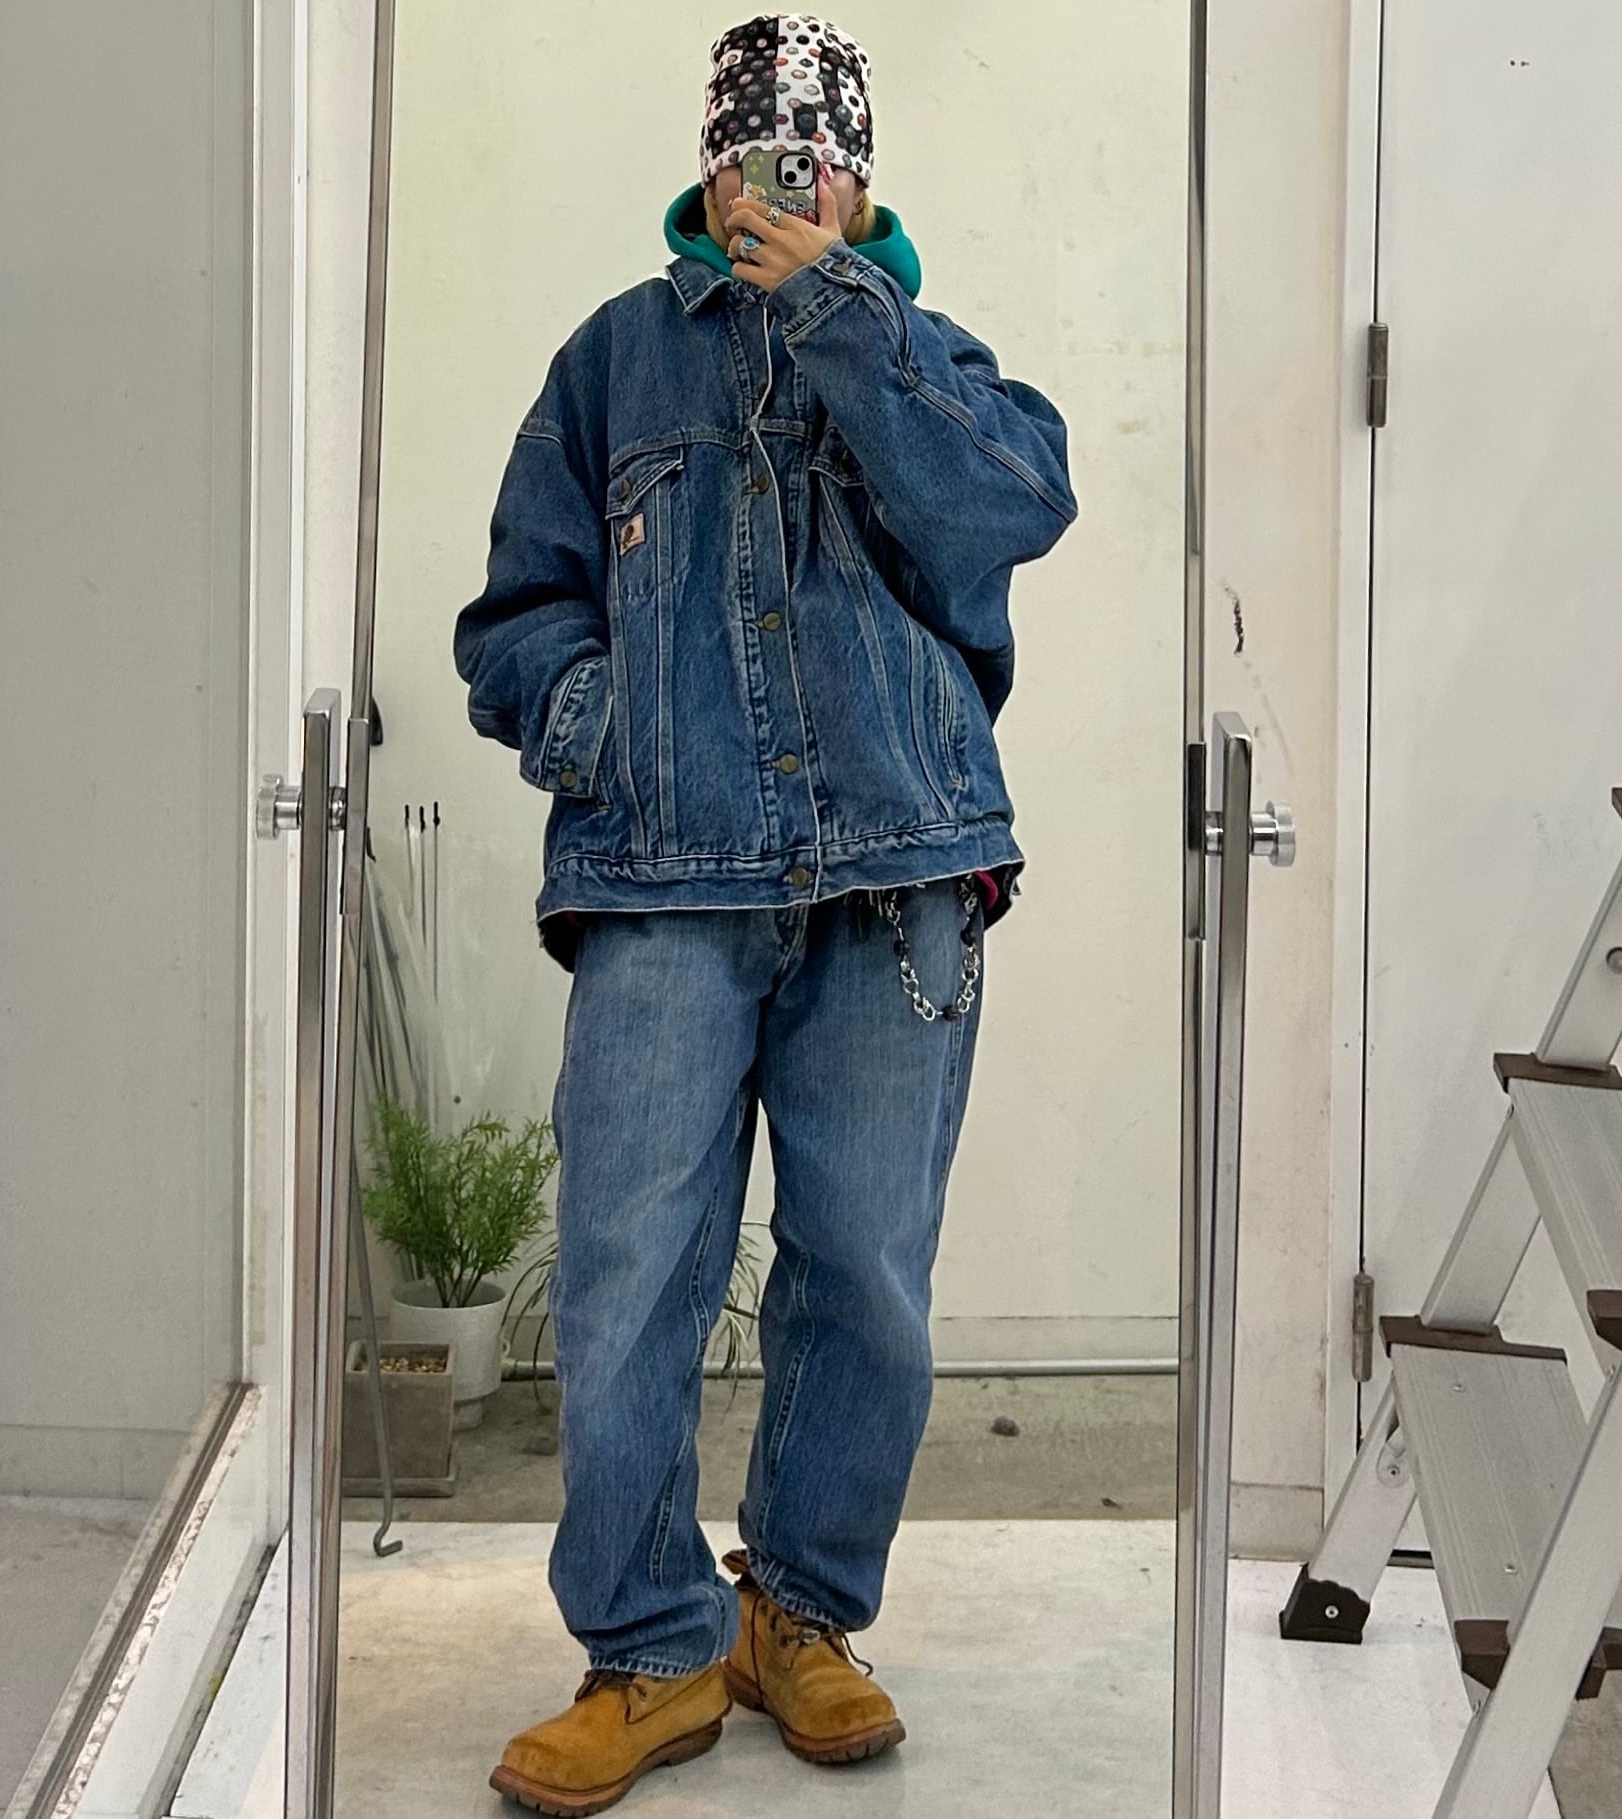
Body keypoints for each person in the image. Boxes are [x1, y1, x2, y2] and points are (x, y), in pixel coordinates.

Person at [456, 16, 1074, 1813]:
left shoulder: (929, 354)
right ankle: (649, 1650)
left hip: (898, 877)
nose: (777, 188)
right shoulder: (613, 359)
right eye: (752, 158)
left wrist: (843, 322)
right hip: (662, 874)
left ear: (860, 180)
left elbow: (1018, 506)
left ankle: (795, 1616)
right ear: (708, 166)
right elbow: (518, 611)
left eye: (811, 162)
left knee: (866, 1270)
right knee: (626, 1271)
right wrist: (605, 731)